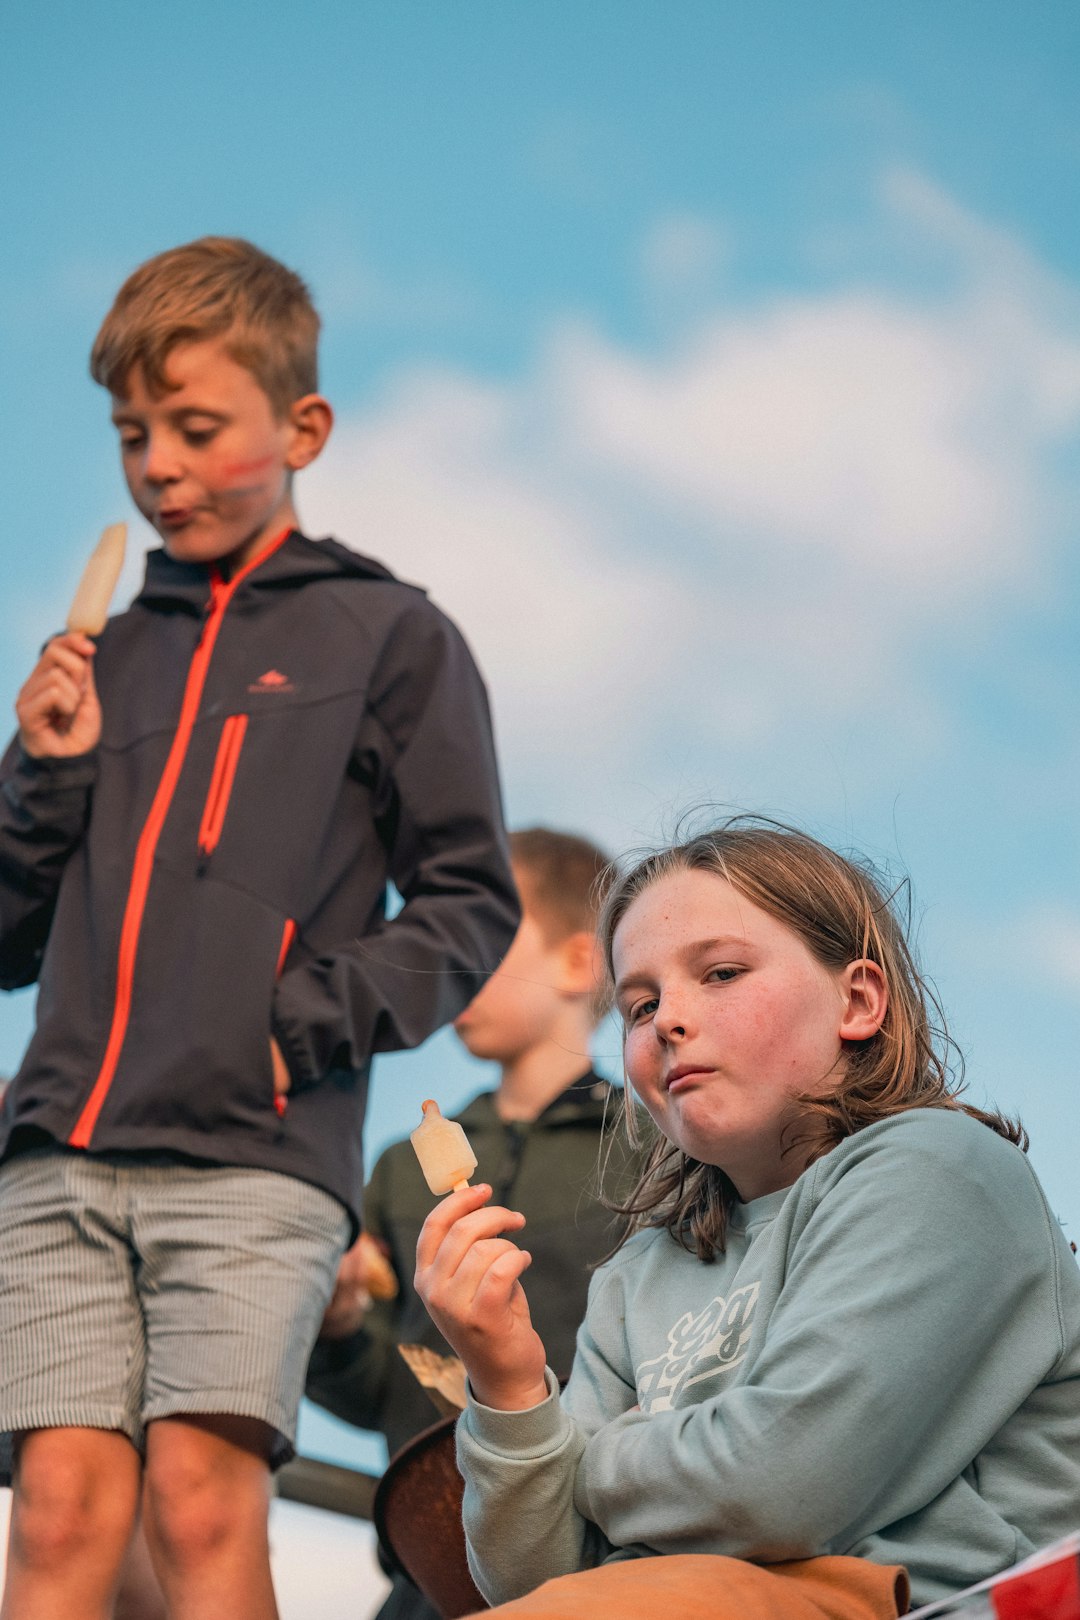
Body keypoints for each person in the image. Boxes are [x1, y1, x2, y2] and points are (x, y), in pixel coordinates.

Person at [0, 236, 518, 1620]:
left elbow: (473, 897)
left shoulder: (391, 637)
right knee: (55, 1521)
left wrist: (296, 1026)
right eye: (130, 433)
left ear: (302, 428)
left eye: (194, 427)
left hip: (252, 1150)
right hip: (60, 1154)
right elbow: (7, 936)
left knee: (200, 1503)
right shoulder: (103, 655)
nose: (155, 464)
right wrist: (42, 771)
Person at [416, 819, 1080, 1620]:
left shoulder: (940, 1171)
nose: (666, 1019)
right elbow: (538, 1579)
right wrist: (513, 1385)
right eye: (639, 1004)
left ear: (858, 1000)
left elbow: (787, 1482)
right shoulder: (637, 1275)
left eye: (722, 972)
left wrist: (593, 1460)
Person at [307, 826, 633, 1620]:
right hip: (430, 1568)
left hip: (609, 1555)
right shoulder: (395, 1167)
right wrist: (342, 1327)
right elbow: (385, 1385)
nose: (448, 959)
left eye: (482, 932)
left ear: (578, 961)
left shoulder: (654, 1149)